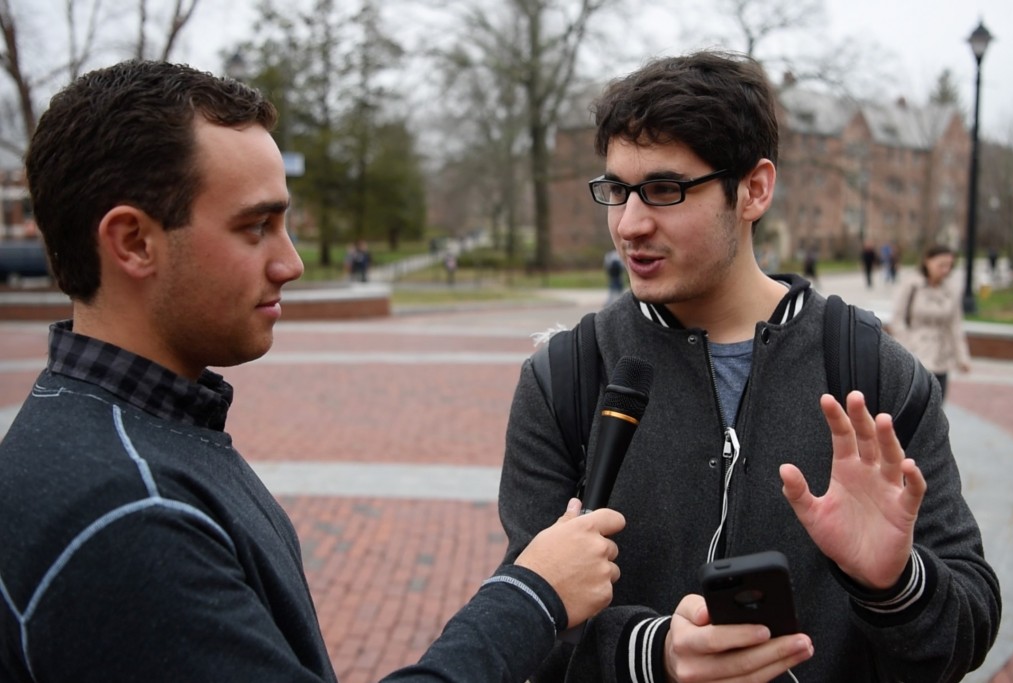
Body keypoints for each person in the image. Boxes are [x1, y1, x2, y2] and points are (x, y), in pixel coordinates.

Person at [0, 59, 626, 683]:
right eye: (256, 227)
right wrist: (533, 596)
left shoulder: (111, 429)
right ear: (133, 242)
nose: (291, 262)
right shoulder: (131, 517)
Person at [498, 51, 999, 683]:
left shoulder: (874, 374)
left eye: (664, 190)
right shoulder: (564, 379)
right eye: (616, 191)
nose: (629, 224)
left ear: (754, 189)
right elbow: (519, 625)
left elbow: (967, 630)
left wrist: (895, 584)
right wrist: (655, 654)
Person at [889, 245, 971, 402]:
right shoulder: (912, 285)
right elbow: (897, 319)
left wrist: (962, 357)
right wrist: (907, 347)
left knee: (937, 407)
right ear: (928, 261)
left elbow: (955, 325)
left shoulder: (951, 289)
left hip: (941, 356)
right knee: (915, 406)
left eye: (949, 266)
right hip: (916, 355)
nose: (945, 270)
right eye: (941, 265)